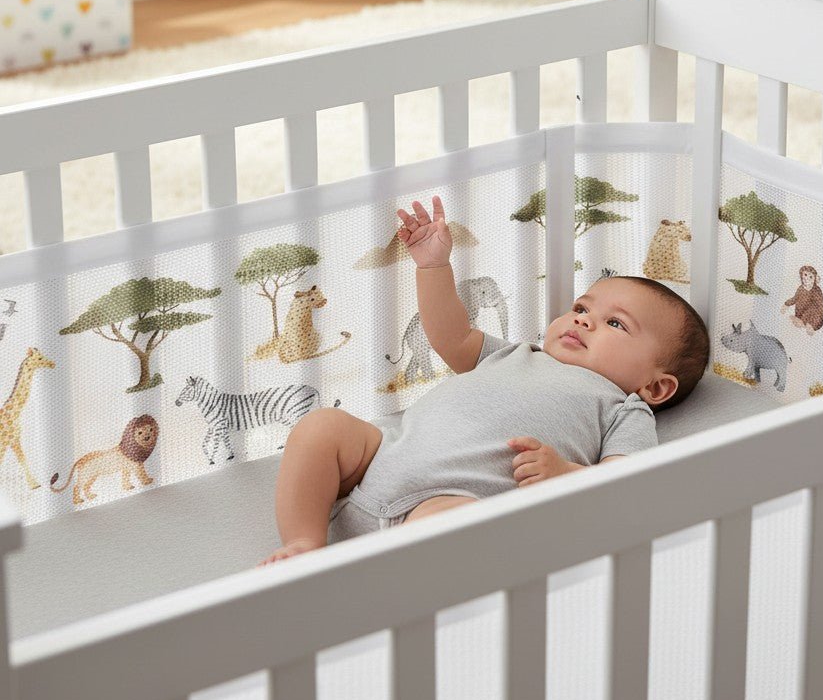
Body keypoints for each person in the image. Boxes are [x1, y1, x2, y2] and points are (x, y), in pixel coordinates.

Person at [259, 195, 709, 566]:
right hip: (374, 466)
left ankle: (387, 579)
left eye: (616, 325)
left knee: (457, 528)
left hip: (451, 503)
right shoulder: (515, 354)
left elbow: (627, 484)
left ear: (655, 387)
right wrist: (434, 267)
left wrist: (565, 474)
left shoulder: (622, 407)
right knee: (323, 427)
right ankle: (305, 543)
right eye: (582, 309)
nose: (585, 322)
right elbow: (451, 335)